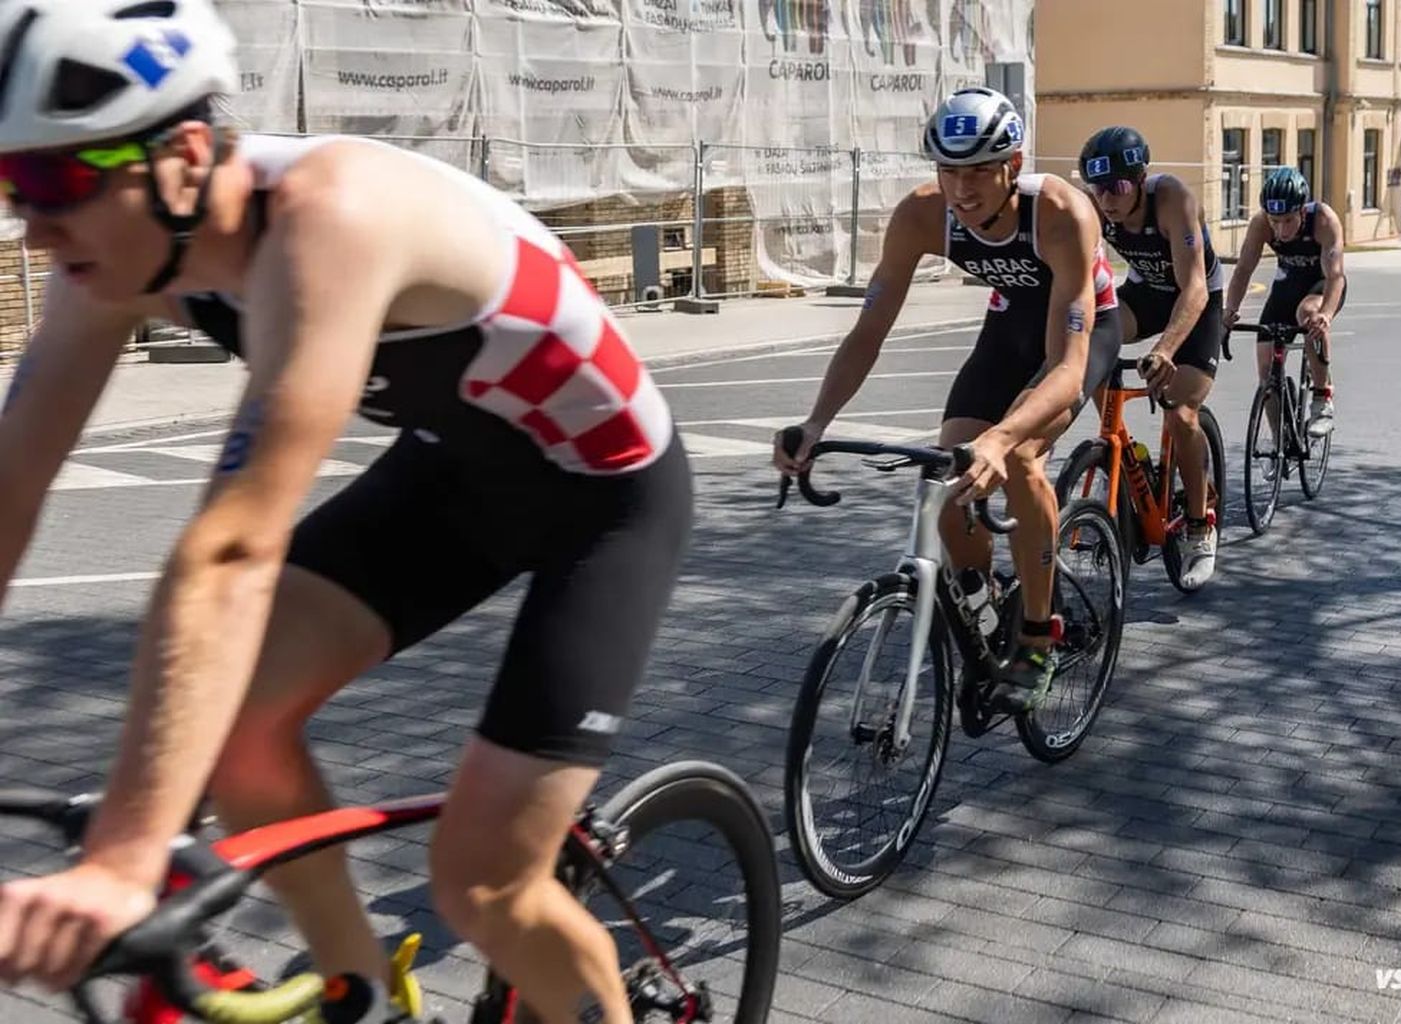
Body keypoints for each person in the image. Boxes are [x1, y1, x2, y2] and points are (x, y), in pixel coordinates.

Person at [0, 2, 692, 1023]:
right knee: (238, 731)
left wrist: (123, 860)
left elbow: (230, 551)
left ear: (184, 157)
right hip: (453, 475)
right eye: (13, 186)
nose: (34, 227)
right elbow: (11, 490)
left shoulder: (336, 214)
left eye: (59, 183)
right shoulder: (112, 261)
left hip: (605, 496)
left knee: (484, 882)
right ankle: (368, 996)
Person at [773, 86, 1121, 712]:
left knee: (1018, 457)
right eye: (949, 170)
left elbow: (1069, 368)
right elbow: (868, 331)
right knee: (949, 471)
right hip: (1009, 321)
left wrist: (1002, 437)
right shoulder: (920, 215)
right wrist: (816, 422)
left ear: (1014, 166)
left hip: (1080, 329)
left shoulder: (1061, 213)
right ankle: (981, 599)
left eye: (980, 170)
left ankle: (1038, 634)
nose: (963, 188)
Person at [1078, 125, 1224, 591]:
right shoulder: (1095, 208)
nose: (1107, 199)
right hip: (1145, 295)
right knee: (1088, 343)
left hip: (1196, 300)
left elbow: (1194, 288)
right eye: (1097, 188)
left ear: (1141, 179)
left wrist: (1164, 350)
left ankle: (1200, 526)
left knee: (1181, 413)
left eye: (1117, 186)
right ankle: (1122, 454)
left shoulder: (1172, 200)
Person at [1222, 166, 1345, 437]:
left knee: (1308, 313)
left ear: (1302, 212)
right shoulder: (1261, 224)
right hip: (1288, 285)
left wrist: (1326, 315)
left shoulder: (1323, 220)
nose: (1281, 229)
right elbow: (1243, 270)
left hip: (1322, 284)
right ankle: (1282, 439)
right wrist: (1230, 311)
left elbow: (1335, 276)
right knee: (1266, 372)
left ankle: (1322, 398)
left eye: (1288, 220)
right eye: (1275, 221)